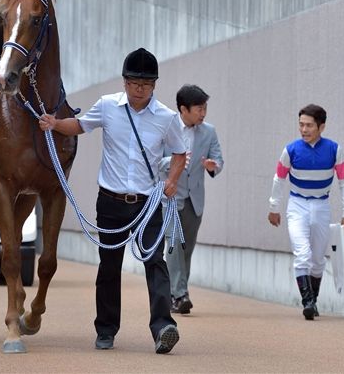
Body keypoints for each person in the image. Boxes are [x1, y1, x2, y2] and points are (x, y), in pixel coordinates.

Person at [39, 48, 187, 354]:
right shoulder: (108, 106)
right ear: (124, 82)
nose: (140, 88)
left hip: (148, 204)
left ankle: (163, 327)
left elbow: (179, 152)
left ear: (155, 85)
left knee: (155, 262)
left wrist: (171, 181)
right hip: (110, 201)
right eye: (134, 82)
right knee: (109, 266)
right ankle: (106, 329)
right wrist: (54, 123)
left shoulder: (167, 117)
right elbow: (79, 125)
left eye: (146, 83)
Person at [267, 104, 344, 320]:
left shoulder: (334, 149)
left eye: (309, 126)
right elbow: (279, 179)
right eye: (301, 125)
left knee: (317, 260)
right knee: (302, 254)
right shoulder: (291, 150)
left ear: (321, 127)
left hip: (322, 206)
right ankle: (307, 302)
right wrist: (274, 208)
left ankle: (313, 301)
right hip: (297, 206)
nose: (304, 130)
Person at [161, 84, 223, 315]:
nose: (203, 113)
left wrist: (212, 166)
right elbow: (156, 159)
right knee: (174, 244)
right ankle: (180, 294)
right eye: (199, 109)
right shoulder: (167, 128)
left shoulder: (209, 131)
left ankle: (175, 295)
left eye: (205, 108)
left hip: (194, 199)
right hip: (170, 197)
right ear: (183, 109)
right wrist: (172, 163)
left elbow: (219, 160)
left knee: (186, 249)